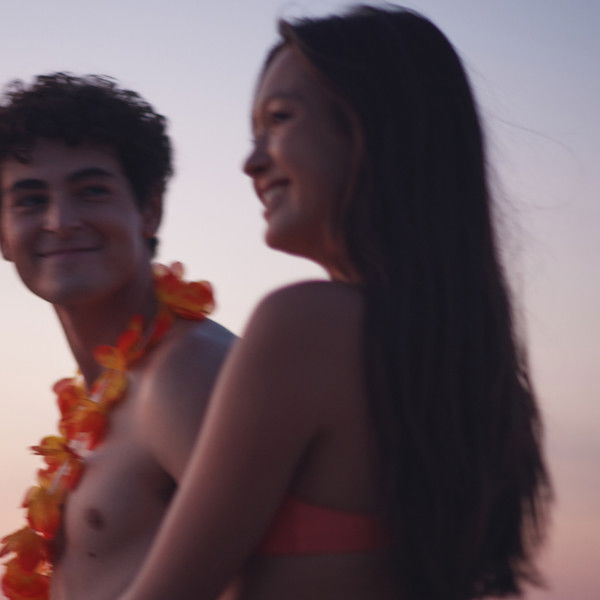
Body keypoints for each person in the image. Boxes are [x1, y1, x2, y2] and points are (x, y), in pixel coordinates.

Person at [119, 6, 551, 600]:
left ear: (372, 129)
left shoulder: (307, 324)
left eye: (279, 119)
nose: (251, 162)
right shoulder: (478, 369)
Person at [0, 73, 235, 600]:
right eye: (30, 200)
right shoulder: (107, 396)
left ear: (149, 210)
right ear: (3, 235)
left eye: (91, 192)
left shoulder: (187, 373)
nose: (61, 221)